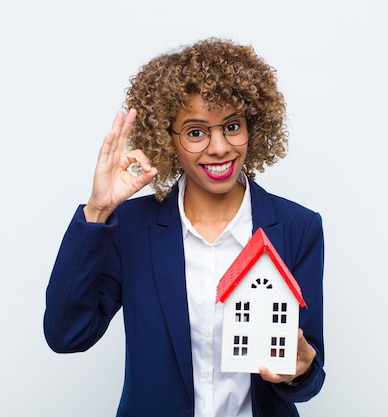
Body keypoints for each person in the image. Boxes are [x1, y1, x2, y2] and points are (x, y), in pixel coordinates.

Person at [44, 37, 325, 417]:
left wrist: (303, 368)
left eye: (232, 126)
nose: (220, 147)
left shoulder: (297, 227)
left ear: (252, 128)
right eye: (196, 132)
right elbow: (67, 335)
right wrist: (98, 210)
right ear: (168, 139)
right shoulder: (131, 228)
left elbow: (307, 377)